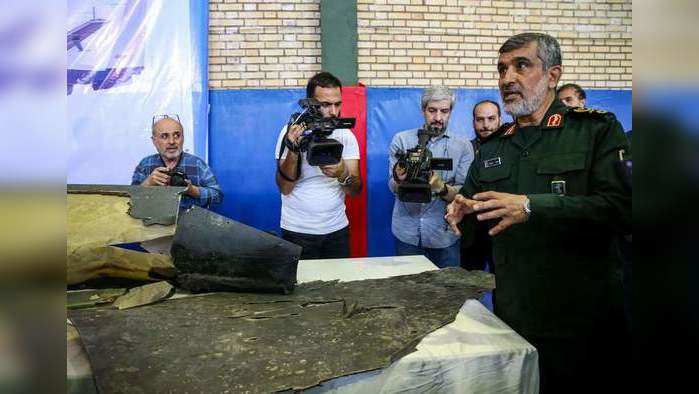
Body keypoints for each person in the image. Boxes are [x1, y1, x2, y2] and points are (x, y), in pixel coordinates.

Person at [445, 33, 630, 392]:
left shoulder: (595, 130)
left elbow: (623, 208)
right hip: (514, 316)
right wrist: (461, 211)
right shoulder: (492, 146)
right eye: (501, 69)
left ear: (552, 74)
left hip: (582, 322)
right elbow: (473, 209)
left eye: (521, 66)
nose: (507, 78)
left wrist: (532, 206)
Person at [274, 72, 361, 260]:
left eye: (337, 104)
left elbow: (355, 190)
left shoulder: (345, 135)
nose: (334, 112)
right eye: (326, 105)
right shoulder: (290, 132)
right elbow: (285, 187)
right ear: (310, 105)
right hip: (297, 231)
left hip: (336, 230)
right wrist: (293, 149)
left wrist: (342, 174)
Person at [388, 86, 473, 268]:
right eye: (432, 110)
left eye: (444, 111)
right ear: (423, 110)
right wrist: (399, 180)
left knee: (447, 292)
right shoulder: (401, 140)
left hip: (444, 235)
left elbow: (463, 193)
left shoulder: (463, 146)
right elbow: (391, 186)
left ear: (451, 112)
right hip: (406, 233)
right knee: (408, 292)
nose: (438, 118)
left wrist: (440, 187)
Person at [132, 114, 223, 209]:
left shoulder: (197, 164)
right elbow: (130, 199)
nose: (172, 141)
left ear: (183, 138)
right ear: (154, 141)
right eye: (164, 136)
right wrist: (148, 183)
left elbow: (218, 196)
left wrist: (192, 190)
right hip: (153, 221)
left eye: (177, 135)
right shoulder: (145, 164)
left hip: (190, 222)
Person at [460, 100, 501, 272]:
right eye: (480, 119)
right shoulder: (465, 149)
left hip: (501, 229)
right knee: (468, 287)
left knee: (502, 285)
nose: (486, 125)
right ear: (473, 122)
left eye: (491, 118)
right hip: (471, 231)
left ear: (500, 119)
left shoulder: (512, 150)